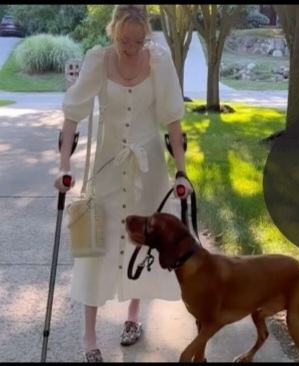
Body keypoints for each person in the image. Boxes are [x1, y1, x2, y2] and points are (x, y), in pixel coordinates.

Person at [54, 5, 192, 362]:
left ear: (146, 34)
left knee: (142, 244)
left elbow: (173, 123)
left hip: (147, 172)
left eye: (138, 40)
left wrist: (181, 172)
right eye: (123, 39)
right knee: (94, 248)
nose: (131, 47)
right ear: (112, 31)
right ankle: (89, 337)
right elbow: (72, 116)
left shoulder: (159, 61)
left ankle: (132, 319)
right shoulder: (98, 60)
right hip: (108, 169)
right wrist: (64, 166)